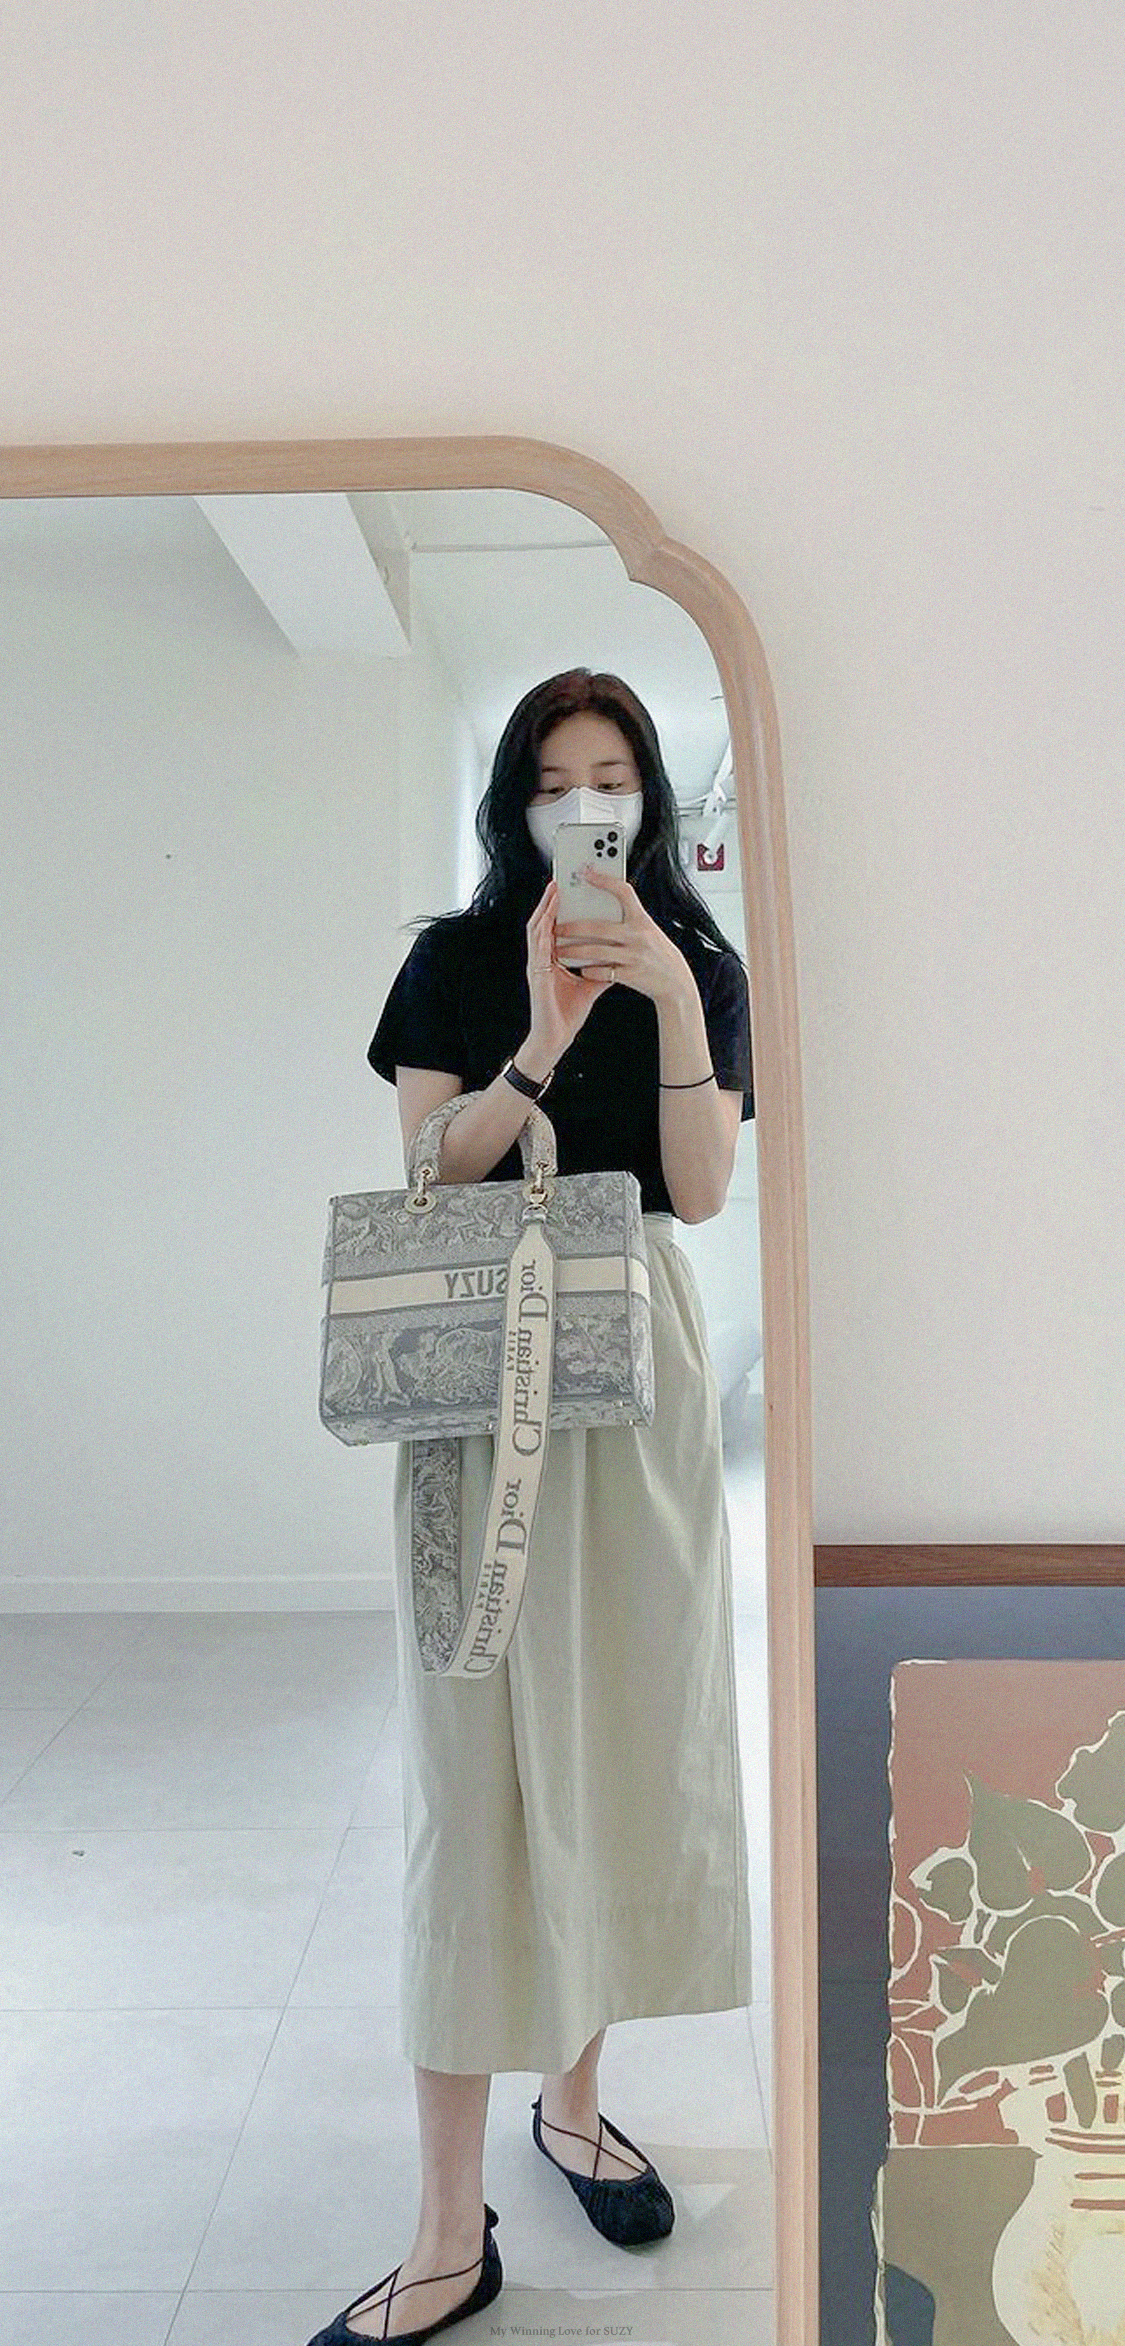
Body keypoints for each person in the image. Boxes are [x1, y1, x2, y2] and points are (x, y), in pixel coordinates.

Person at [307, 671, 755, 2346]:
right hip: (472, 1383)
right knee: (472, 1771)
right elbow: (430, 1172)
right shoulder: (450, 958)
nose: (586, 807)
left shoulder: (701, 966)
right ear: (515, 800)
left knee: (618, 1739)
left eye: (612, 777)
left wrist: (672, 998)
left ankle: (573, 2108)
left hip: (633, 1379)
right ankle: (448, 2224)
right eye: (556, 779)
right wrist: (539, 1043)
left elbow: (697, 1190)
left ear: (647, 800)